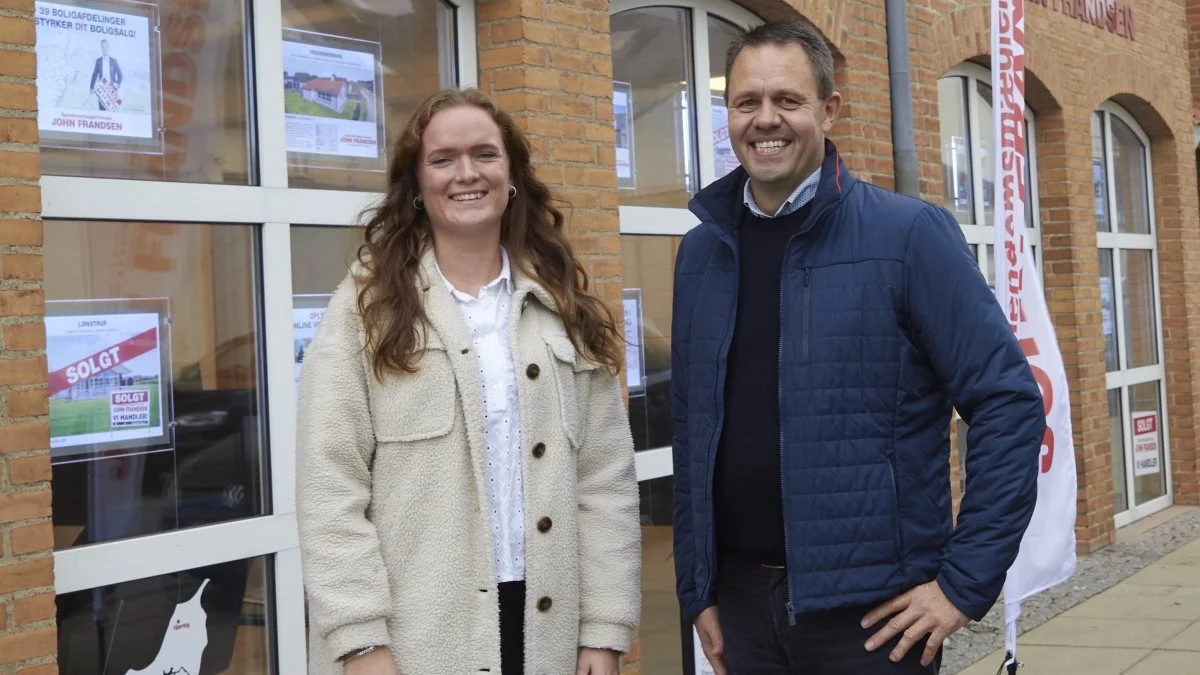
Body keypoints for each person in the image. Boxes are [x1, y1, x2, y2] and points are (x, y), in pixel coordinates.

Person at [670, 19, 1046, 674]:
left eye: (787, 100)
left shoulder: (909, 236)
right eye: (746, 102)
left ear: (828, 108)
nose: (766, 120)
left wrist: (962, 584)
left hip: (874, 622)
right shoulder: (702, 252)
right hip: (743, 609)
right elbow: (692, 428)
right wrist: (696, 587)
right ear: (726, 113)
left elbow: (1009, 403)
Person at [296, 88, 641, 675]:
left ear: (511, 176)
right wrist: (359, 640)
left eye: (485, 154)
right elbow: (331, 485)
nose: (466, 174)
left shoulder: (561, 307)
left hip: (548, 629)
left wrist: (604, 630)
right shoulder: (364, 309)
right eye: (443, 159)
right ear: (416, 186)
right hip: (414, 638)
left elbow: (605, 481)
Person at [90, 39, 122, 111]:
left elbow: (120, 75)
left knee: (112, 113)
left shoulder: (114, 61)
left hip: (112, 90)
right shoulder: (98, 61)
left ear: (108, 47)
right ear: (101, 48)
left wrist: (117, 83)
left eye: (106, 47)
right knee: (102, 112)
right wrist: (91, 87)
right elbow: (94, 75)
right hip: (101, 90)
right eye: (103, 47)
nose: (105, 49)